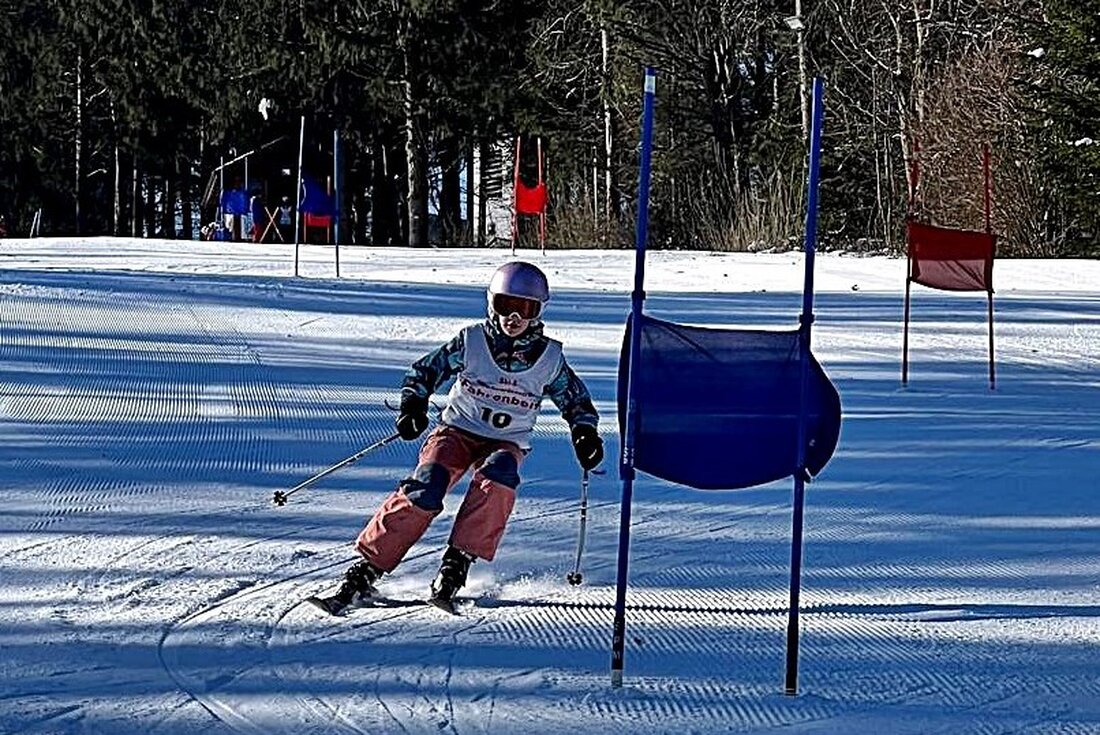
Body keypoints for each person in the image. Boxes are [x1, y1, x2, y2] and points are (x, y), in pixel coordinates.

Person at [308, 261, 604, 615]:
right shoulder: (472, 341)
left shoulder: (549, 359)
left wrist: (584, 432)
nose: (513, 317)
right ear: (491, 303)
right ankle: (368, 566)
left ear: (539, 311)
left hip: (506, 441)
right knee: (428, 484)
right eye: (505, 306)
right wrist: (413, 405)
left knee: (499, 477)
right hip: (457, 431)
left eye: (524, 309)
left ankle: (458, 560)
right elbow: (425, 371)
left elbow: (575, 400)